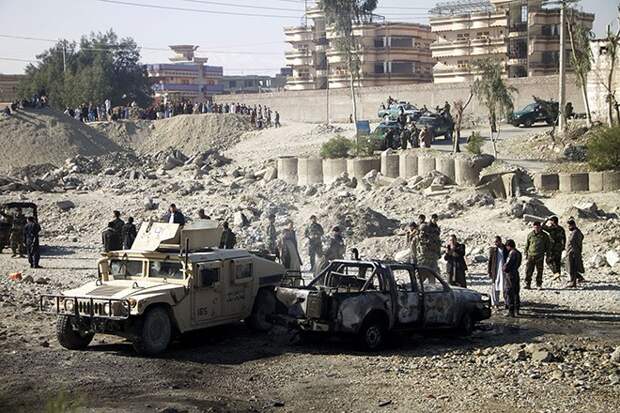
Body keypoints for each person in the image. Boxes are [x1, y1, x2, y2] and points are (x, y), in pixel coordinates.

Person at [524, 221, 551, 289]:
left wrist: (548, 256)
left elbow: (548, 247)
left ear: (540, 227)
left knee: (539, 271)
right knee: (528, 270)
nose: (537, 228)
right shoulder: (530, 235)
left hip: (540, 256)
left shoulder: (544, 236)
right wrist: (525, 253)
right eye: (535, 227)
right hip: (531, 255)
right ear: (533, 227)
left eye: (538, 227)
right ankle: (528, 284)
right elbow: (527, 245)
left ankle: (539, 284)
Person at [503, 239, 522, 317]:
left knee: (509, 292)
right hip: (516, 273)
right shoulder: (518, 253)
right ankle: (517, 309)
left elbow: (508, 265)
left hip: (510, 274)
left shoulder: (512, 253)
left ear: (509, 246)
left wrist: (504, 268)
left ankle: (511, 312)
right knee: (516, 292)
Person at [543, 216, 566, 281]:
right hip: (559, 247)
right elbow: (564, 238)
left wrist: (546, 219)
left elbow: (542, 227)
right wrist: (563, 246)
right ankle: (558, 276)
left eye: (551, 221)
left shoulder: (551, 228)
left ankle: (555, 273)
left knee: (548, 261)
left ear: (553, 221)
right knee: (557, 262)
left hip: (552, 247)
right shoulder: (561, 229)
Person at [488, 236, 507, 308]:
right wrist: (489, 271)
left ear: (500, 241)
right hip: (495, 272)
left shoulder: (505, 249)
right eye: (494, 242)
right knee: (495, 287)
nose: (495, 243)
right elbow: (490, 261)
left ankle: (507, 303)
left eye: (496, 241)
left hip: (504, 272)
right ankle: (495, 303)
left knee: (505, 287)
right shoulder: (493, 250)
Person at [565, 219, 585, 288]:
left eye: (569, 226)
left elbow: (572, 241)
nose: (568, 227)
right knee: (571, 267)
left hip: (573, 252)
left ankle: (573, 283)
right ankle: (577, 279)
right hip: (574, 252)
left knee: (572, 267)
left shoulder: (575, 232)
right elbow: (582, 237)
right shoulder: (577, 232)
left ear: (573, 225)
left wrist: (574, 249)